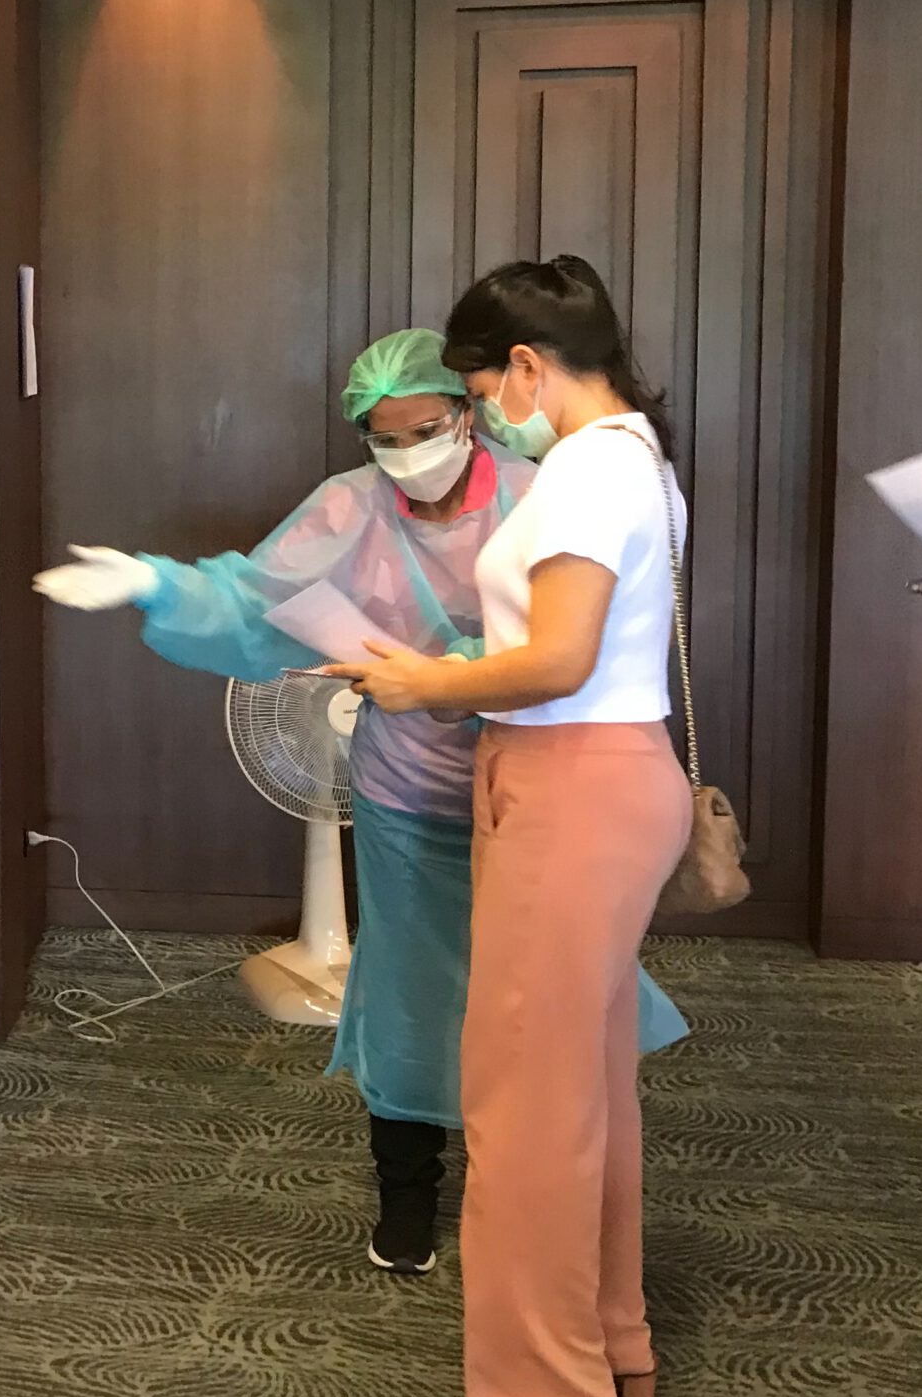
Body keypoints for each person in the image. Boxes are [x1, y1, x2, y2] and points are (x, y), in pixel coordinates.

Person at [33, 328, 686, 1277]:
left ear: (468, 413)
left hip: (533, 789)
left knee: (544, 1006)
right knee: (410, 999)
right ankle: (407, 1192)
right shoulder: (349, 508)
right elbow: (254, 598)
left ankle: (540, 1197)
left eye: (426, 430)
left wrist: (454, 674)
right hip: (406, 793)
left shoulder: (543, 492)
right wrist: (153, 583)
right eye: (386, 439)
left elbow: (575, 635)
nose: (409, 455)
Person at [327, 257, 689, 1397]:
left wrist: (423, 685)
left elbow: (558, 660)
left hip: (571, 783)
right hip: (587, 777)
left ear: (525, 367)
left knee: (525, 1101)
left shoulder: (587, 469)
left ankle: (540, 1385)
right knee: (580, 1087)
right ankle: (606, 1345)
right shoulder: (630, 455)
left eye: (481, 393)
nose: (487, 418)